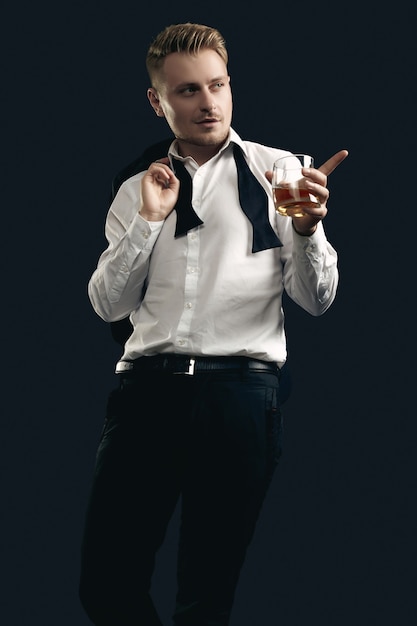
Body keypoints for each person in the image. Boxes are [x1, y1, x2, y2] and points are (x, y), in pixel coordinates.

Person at [79, 22, 348, 626]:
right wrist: (149, 221)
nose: (207, 103)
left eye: (218, 85)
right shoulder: (135, 188)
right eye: (187, 91)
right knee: (106, 585)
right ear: (158, 101)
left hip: (242, 397)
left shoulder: (281, 173)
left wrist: (305, 230)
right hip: (147, 394)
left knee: (206, 598)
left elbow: (317, 299)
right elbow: (108, 304)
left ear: (230, 85)